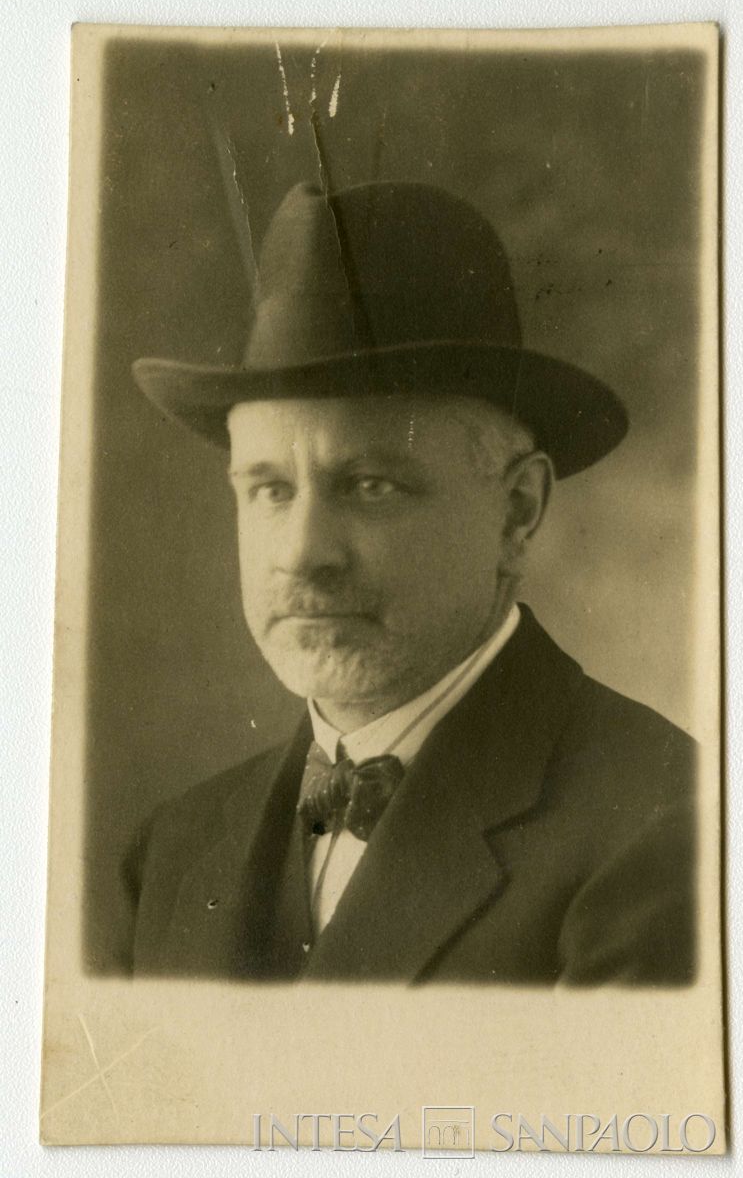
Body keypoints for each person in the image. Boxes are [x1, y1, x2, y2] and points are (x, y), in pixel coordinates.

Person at [125, 180, 695, 984]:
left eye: (371, 487)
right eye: (269, 489)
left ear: (515, 512)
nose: (302, 554)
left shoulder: (667, 831)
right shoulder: (170, 854)